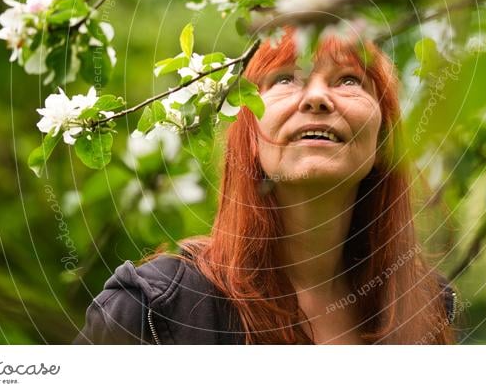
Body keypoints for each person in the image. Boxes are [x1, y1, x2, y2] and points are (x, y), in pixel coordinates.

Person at [73, 25, 456, 345]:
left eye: (349, 79)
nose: (318, 97)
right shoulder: (153, 309)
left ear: (384, 139)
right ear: (249, 137)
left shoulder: (426, 307)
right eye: (285, 78)